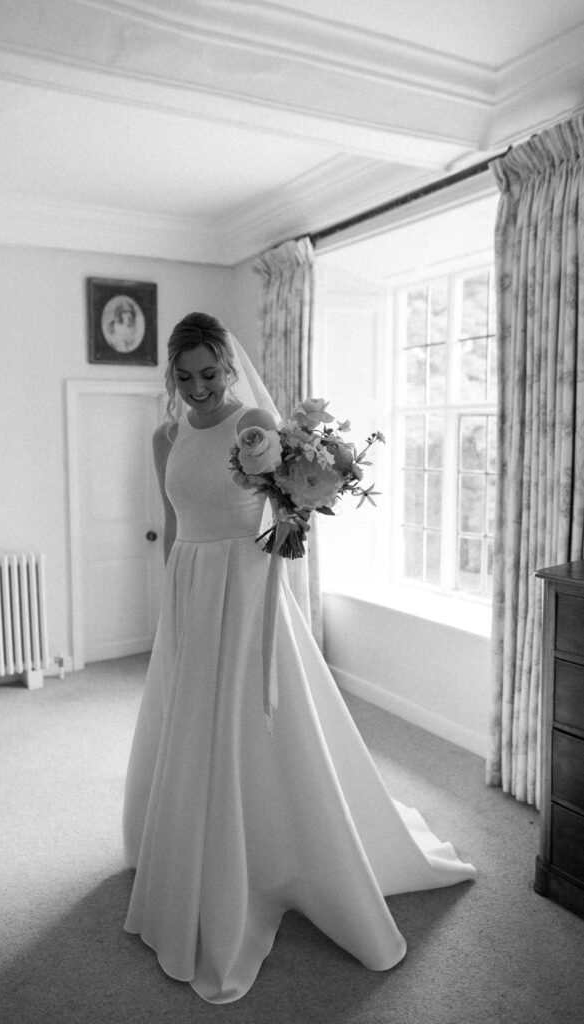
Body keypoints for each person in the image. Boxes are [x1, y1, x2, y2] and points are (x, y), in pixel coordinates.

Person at [122, 311, 475, 1004]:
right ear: (172, 375)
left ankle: (275, 852)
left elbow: (292, 507)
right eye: (185, 377)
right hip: (191, 586)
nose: (198, 387)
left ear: (228, 367)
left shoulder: (254, 422)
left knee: (251, 714)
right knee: (190, 717)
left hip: (246, 586)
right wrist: (170, 603)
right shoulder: (164, 437)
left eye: (209, 373)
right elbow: (172, 522)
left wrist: (286, 534)